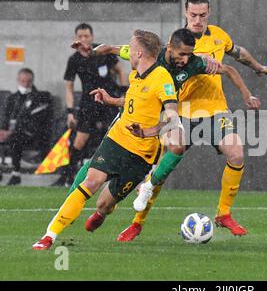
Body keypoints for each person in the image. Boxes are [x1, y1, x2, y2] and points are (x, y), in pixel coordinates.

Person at [68, 26, 261, 241]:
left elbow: (229, 70)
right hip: (132, 114)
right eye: (182, 54)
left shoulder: (195, 62)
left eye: (190, 54)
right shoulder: (151, 55)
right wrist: (90, 50)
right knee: (96, 164)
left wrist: (246, 94)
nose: (185, 60)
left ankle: (131, 197)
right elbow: (111, 49)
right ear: (169, 48)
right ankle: (72, 206)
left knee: (170, 153)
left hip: (161, 118)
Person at [131, 0, 267, 238]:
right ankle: (137, 222)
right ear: (185, 13)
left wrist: (258, 68)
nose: (198, 20)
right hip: (180, 111)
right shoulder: (175, 43)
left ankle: (224, 213)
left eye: (202, 15)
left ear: (209, 13)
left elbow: (237, 53)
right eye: (193, 15)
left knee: (236, 153)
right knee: (162, 169)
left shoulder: (218, 36)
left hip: (215, 109)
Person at [32, 30, 182, 250]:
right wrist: (111, 99)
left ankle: (102, 213)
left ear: (139, 53)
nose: (127, 52)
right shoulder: (136, 74)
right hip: (118, 139)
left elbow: (172, 115)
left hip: (142, 154)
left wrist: (150, 131)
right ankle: (49, 236)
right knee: (90, 182)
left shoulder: (162, 78)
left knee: (104, 204)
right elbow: (132, 97)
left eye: (130, 49)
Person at [52, 23, 127, 187]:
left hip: (109, 99)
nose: (83, 39)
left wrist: (123, 93)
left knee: (116, 136)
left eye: (86, 36)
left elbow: (120, 70)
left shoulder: (102, 51)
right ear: (76, 38)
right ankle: (68, 176)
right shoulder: (74, 59)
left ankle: (119, 175)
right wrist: (70, 111)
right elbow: (69, 87)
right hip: (89, 102)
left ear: (92, 37)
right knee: (79, 140)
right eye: (80, 36)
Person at [0, 68, 53, 185]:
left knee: (16, 138)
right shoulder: (12, 98)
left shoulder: (40, 98)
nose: (25, 84)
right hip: (10, 132)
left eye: (28, 81)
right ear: (18, 81)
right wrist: (3, 130)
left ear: (32, 81)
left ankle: (16, 174)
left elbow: (36, 122)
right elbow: (5, 117)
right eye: (23, 81)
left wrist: (13, 131)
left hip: (30, 134)